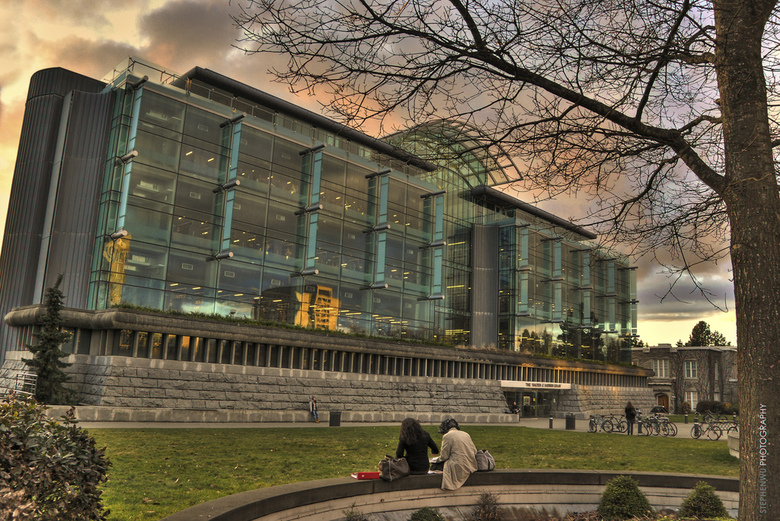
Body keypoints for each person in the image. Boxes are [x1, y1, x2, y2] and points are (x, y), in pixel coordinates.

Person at [437, 418, 478, 490]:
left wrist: (435, 460)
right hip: (470, 465)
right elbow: (474, 451)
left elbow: (444, 456)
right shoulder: (466, 434)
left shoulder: (447, 436)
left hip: (457, 465)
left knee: (436, 466)